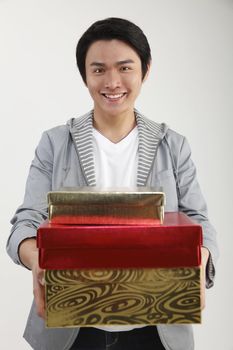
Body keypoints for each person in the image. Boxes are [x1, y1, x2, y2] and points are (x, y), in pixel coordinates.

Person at [7, 17, 218, 350]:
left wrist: (200, 258)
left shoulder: (173, 145)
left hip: (156, 329)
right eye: (99, 70)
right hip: (72, 328)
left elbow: (200, 223)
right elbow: (25, 223)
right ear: (85, 76)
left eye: (125, 68)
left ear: (145, 70)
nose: (113, 82)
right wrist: (38, 262)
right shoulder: (55, 142)